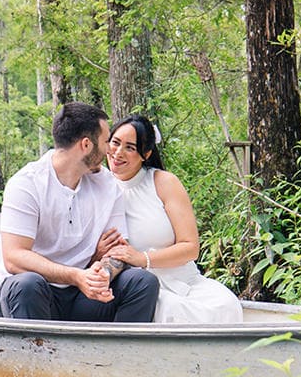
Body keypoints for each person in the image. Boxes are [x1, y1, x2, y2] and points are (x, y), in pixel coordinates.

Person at [0, 102, 159, 322]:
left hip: (82, 295)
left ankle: (120, 355)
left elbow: (118, 249)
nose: (110, 149)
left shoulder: (108, 184)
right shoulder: (26, 184)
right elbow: (14, 257)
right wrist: (76, 276)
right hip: (33, 296)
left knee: (142, 282)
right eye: (107, 141)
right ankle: (35, 355)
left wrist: (102, 274)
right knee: (27, 284)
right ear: (86, 145)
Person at [102, 115, 243, 323]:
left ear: (146, 153)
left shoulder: (163, 183)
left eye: (130, 148)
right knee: (170, 310)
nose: (118, 152)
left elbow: (190, 247)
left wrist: (143, 258)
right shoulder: (99, 186)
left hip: (183, 280)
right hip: (138, 286)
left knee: (226, 305)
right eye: (115, 143)